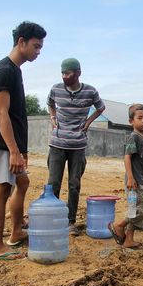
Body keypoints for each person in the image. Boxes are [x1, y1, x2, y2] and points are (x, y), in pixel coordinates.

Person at [0, 21, 46, 260]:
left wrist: (21, 149)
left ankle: (16, 231)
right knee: (2, 189)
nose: (38, 51)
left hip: (14, 144)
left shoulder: (15, 70)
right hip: (3, 143)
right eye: (36, 46)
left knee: (22, 183)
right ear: (21, 42)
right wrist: (12, 150)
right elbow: (2, 113)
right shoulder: (4, 70)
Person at [47, 58, 106, 236]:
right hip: (57, 143)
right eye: (63, 73)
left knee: (74, 184)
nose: (64, 76)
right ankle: (53, 219)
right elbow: (50, 103)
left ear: (78, 73)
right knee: (53, 183)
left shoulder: (90, 91)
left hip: (78, 145)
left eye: (68, 73)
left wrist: (88, 122)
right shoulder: (56, 89)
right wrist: (53, 117)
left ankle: (70, 221)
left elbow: (101, 107)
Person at [108, 104, 143, 249]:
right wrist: (130, 178)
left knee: (135, 209)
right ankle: (118, 225)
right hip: (135, 181)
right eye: (140, 118)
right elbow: (127, 157)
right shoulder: (133, 137)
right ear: (131, 121)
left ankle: (129, 240)